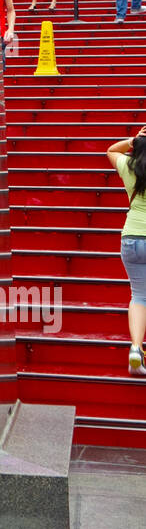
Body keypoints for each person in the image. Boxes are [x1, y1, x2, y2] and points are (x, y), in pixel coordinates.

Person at [107, 125, 146, 379]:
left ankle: (135, 348)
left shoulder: (127, 166)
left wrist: (134, 140)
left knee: (139, 296)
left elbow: (110, 150)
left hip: (131, 237)